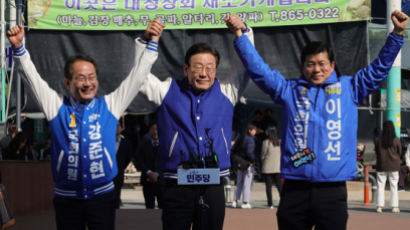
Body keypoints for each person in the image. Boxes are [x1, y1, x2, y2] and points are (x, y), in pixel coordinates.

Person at [226, 10, 408, 230]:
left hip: (332, 191)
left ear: (332, 65)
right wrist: (240, 35)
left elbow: (379, 69)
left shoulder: (350, 88)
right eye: (310, 64)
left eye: (322, 63)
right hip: (294, 188)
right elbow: (259, 71)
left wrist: (397, 34)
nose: (317, 69)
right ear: (303, 67)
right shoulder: (289, 90)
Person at [7, 21, 161, 230]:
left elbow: (138, 76)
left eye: (91, 77)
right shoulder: (56, 107)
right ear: (67, 82)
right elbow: (31, 78)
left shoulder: (110, 105)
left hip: (102, 198)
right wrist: (19, 49)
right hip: (67, 199)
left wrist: (150, 43)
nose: (87, 83)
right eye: (80, 78)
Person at [136, 15, 254, 230]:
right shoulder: (166, 90)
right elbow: (139, 78)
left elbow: (247, 67)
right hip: (176, 186)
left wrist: (243, 33)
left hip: (213, 186)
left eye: (210, 67)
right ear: (185, 69)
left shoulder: (228, 92)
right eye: (198, 67)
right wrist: (146, 41)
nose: (204, 73)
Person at [375, 120, 402, 213]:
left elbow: (377, 152)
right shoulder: (396, 139)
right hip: (394, 165)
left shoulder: (378, 140)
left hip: (381, 165)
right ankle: (394, 206)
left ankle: (379, 206)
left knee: (380, 185)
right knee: (394, 186)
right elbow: (400, 152)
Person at [136, 121, 162, 209]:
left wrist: (158, 174)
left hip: (162, 181)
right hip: (147, 181)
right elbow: (139, 160)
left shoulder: (166, 145)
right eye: (153, 129)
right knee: (149, 207)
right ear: (149, 131)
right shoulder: (143, 143)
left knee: (163, 208)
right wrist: (149, 172)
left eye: (157, 130)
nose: (155, 132)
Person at [232, 123, 257, 209]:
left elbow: (234, 149)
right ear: (250, 130)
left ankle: (235, 201)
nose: (255, 132)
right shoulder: (250, 139)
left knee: (239, 182)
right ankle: (245, 202)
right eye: (254, 130)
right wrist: (254, 160)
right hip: (248, 164)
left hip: (239, 162)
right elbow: (249, 152)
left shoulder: (241, 137)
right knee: (247, 183)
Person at [113, 118, 133, 209]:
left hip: (119, 172)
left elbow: (128, 158)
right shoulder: (106, 141)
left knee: (116, 195)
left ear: (121, 128)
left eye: (118, 126)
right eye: (114, 126)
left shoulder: (125, 143)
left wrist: (121, 166)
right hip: (108, 173)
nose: (116, 128)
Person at [261, 126, 282, 209]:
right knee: (279, 186)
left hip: (268, 167)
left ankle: (270, 204)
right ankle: (283, 200)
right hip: (277, 167)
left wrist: (262, 159)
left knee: (268, 186)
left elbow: (263, 154)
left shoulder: (266, 142)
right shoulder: (279, 142)